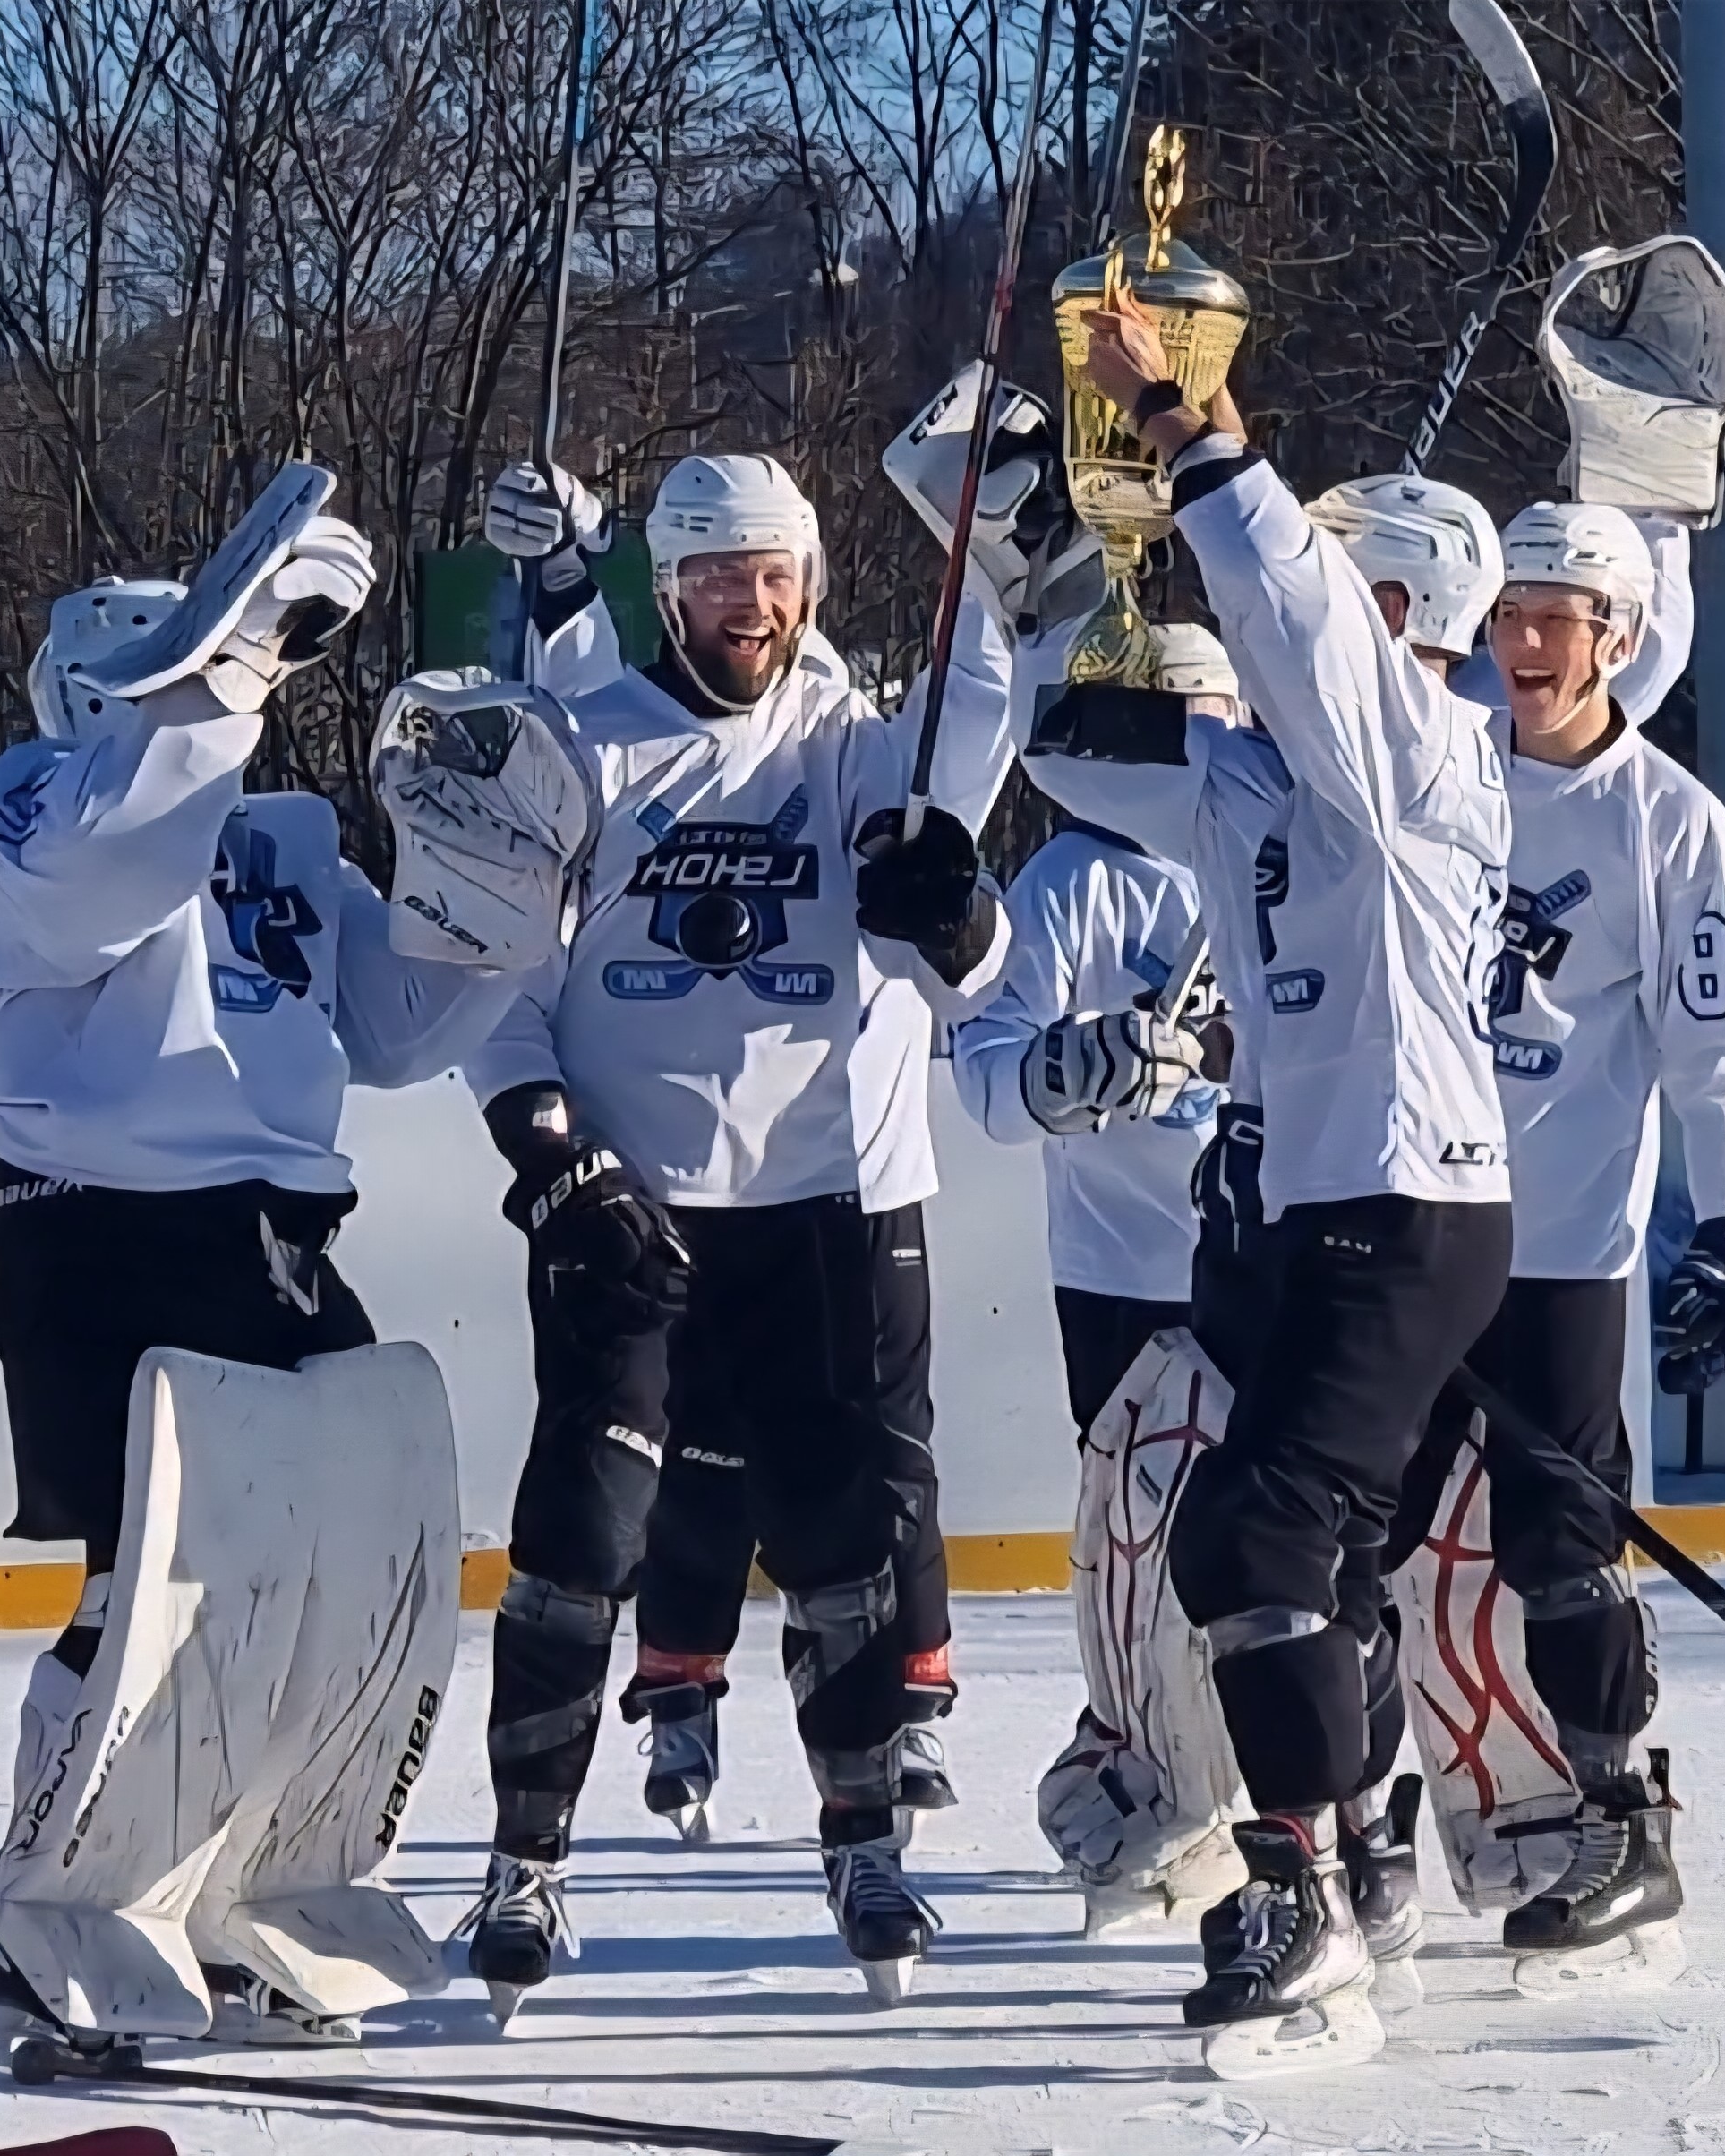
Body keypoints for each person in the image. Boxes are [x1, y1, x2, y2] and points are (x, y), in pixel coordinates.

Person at [449, 449, 1020, 2015]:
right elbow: (498, 994)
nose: (747, 605)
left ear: (810, 584)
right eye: (714, 575)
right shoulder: (582, 744)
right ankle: (523, 1863)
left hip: (812, 1217)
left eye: (773, 575)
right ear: (667, 588)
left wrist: (956, 909)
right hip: (628, 1218)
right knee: (583, 1534)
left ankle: (863, 1842)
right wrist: (556, 1164)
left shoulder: (854, 747)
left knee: (845, 1540)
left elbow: (971, 961)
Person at [0, 494, 528, 2054]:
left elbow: (396, 1029)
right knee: (145, 1594)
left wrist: (496, 899)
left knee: (344, 1579)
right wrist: (221, 682)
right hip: (99, 1230)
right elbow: (113, 855)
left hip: (278, 1235)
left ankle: (259, 1898)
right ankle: (49, 1921)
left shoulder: (277, 841)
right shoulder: (37, 813)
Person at [1075, 288, 1516, 2074]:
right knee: (1287, 1545)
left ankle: (1310, 1891)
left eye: (1345, 582)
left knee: (1254, 1534)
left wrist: (1187, 424)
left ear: (1395, 613)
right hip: (1338, 1206)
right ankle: (1348, 1862)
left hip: (1406, 1208)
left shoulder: (1409, 751)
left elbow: (1292, 609)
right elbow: (1088, 742)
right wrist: (1054, 549)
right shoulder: (1297, 780)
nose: (1285, 614)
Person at [1382, 499, 1725, 1993]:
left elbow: (1718, 1047)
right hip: (1403, 1220)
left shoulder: (1667, 818)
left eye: (1559, 618)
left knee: (1561, 1546)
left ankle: (1618, 1815)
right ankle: (1355, 1836)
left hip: (1557, 1249)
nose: (1527, 642)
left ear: (1618, 640)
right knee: (1353, 1536)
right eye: (1510, 613)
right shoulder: (1438, 766)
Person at [951, 638, 1223, 1433]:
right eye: (1184, 721)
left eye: (1223, 720)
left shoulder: (1279, 862)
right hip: (1125, 1271)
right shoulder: (1070, 878)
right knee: (1138, 1501)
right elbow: (987, 1074)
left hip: (1279, 1263)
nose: (1210, 751)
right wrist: (1058, 1076)